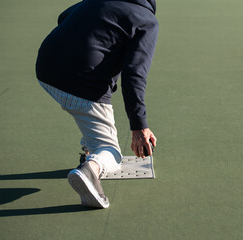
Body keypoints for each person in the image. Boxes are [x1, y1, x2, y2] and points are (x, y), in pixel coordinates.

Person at [35, 0, 158, 209]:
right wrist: (139, 126)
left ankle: (89, 149)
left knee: (86, 113)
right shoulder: (146, 21)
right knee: (111, 152)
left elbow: (64, 17)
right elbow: (134, 75)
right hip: (83, 83)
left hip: (46, 68)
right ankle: (92, 169)